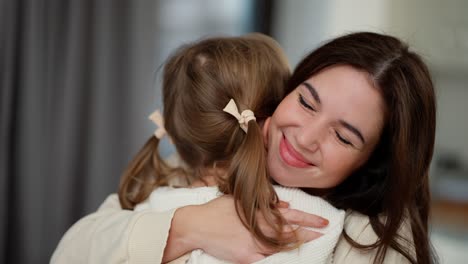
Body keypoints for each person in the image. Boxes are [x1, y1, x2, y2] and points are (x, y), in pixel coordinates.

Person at [52, 31, 437, 264]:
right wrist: (187, 226)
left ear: (372, 164)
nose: (304, 137)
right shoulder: (195, 166)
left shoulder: (373, 238)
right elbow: (70, 251)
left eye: (343, 136)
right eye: (305, 102)